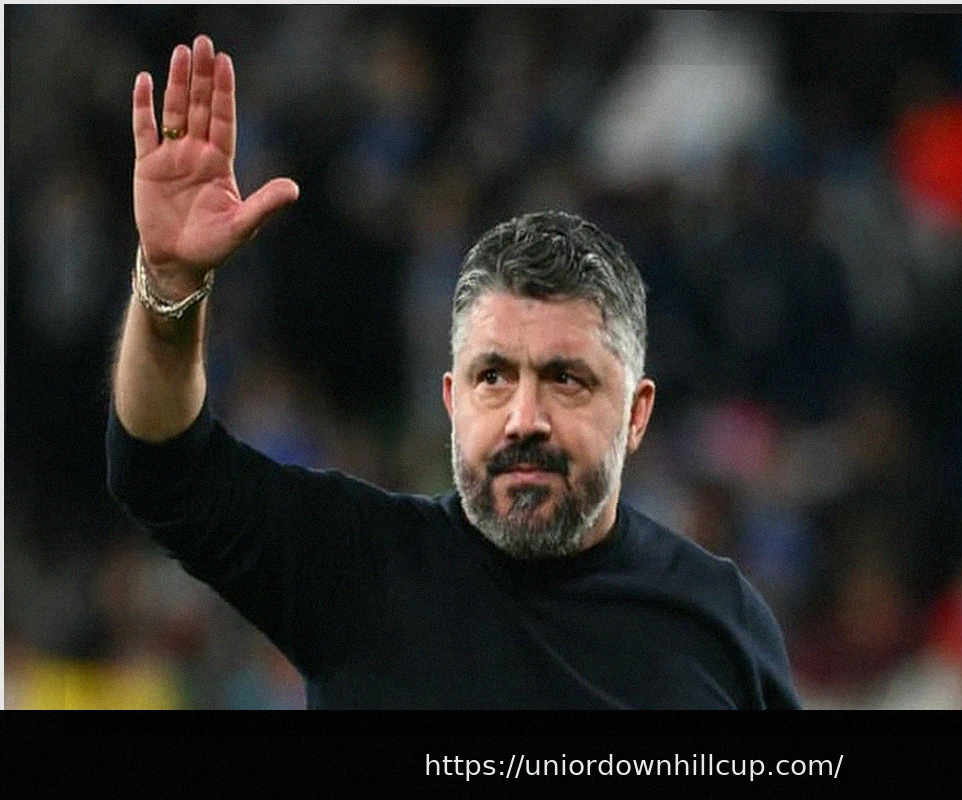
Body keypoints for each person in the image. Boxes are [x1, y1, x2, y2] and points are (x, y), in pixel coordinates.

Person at [107, 35, 801, 709]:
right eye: (493, 378)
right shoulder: (358, 570)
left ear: (637, 412)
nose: (524, 420)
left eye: (565, 380)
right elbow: (161, 468)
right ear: (451, 399)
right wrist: (170, 286)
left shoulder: (720, 622)